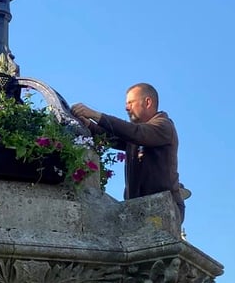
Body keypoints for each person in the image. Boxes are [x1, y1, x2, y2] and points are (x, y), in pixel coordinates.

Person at [71, 83, 184, 222]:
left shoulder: (164, 126)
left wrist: (96, 115)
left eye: (131, 103)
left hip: (163, 208)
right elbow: (112, 137)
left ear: (147, 102)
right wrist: (88, 125)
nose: (126, 108)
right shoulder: (137, 135)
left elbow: (135, 133)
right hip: (139, 208)